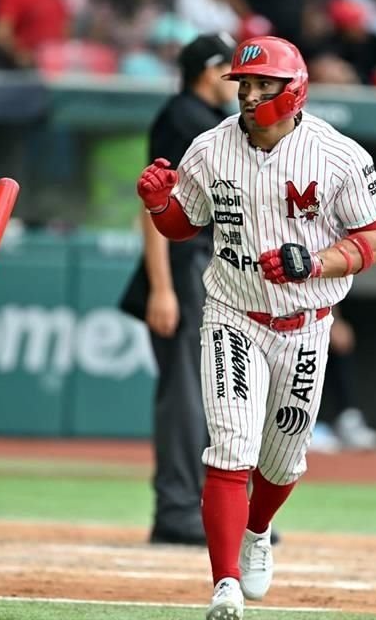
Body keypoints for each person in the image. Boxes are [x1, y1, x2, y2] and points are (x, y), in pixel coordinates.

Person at [134, 35, 376, 620]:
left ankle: (258, 529)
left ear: (293, 89)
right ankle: (224, 584)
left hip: (306, 324)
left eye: (262, 86)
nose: (249, 97)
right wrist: (159, 206)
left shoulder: (339, 156)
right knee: (229, 444)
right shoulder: (209, 148)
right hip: (232, 312)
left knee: (282, 461)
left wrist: (317, 262)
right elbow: (185, 223)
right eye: (244, 86)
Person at [121, 32, 237, 546]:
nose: (237, 81)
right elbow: (154, 202)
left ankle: (213, 508)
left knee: (214, 394)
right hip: (183, 266)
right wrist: (161, 288)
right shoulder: (183, 117)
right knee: (186, 395)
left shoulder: (206, 121)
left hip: (207, 268)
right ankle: (177, 509)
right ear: (207, 71)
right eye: (228, 69)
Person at [311, 306, 376, 453]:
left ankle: (346, 419)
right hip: (269, 321)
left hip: (310, 314)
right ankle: (306, 425)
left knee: (338, 337)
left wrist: (334, 321)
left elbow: (326, 287)